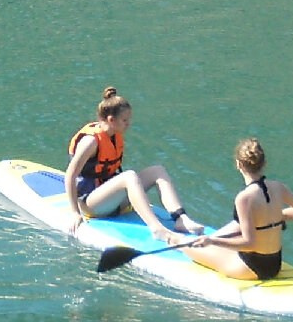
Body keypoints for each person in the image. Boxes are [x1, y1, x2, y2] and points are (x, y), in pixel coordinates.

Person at [144, 137, 293, 282]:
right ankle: (204, 237)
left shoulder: (244, 198)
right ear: (264, 163)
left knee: (183, 242)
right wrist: (274, 217)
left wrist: (211, 241)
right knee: (236, 228)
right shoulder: (278, 187)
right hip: (275, 265)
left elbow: (249, 242)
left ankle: (169, 236)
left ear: (238, 164)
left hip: (249, 268)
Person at [64, 88, 203, 233]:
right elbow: (70, 175)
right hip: (92, 204)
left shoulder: (113, 134)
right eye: (124, 120)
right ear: (111, 120)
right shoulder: (90, 142)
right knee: (129, 176)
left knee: (157, 170)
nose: (128, 124)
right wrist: (75, 213)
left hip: (112, 200)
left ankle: (181, 219)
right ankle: (156, 228)